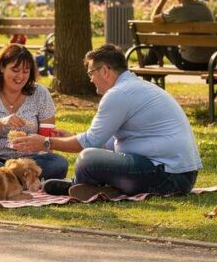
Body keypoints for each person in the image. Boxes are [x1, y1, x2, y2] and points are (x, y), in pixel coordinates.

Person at [15, 44, 202, 199]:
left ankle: (84, 186)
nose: (90, 80)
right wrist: (72, 137)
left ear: (104, 71)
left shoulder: (118, 94)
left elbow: (91, 142)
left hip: (167, 176)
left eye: (91, 73)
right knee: (92, 157)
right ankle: (98, 188)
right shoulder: (135, 87)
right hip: (180, 175)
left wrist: (46, 142)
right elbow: (109, 142)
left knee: (88, 160)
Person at [0, 44, 69, 179]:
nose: (20, 76)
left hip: (27, 159)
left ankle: (6, 179)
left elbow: (47, 138)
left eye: (26, 71)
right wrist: (0, 123)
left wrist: (39, 143)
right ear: (2, 68)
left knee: (58, 164)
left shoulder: (40, 93)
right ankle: (22, 179)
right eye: (15, 70)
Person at [143, 0, 214, 70]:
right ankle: (147, 66)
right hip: (210, 63)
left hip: (188, 63)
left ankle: (145, 66)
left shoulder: (177, 10)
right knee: (160, 38)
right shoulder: (204, 7)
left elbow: (154, 19)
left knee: (159, 37)